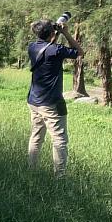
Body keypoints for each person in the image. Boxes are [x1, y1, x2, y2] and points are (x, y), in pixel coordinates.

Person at [27, 18, 83, 178]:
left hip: (34, 101)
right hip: (52, 103)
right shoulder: (57, 50)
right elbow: (79, 52)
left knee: (36, 136)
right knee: (59, 139)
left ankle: (31, 170)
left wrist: (54, 33)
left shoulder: (32, 47)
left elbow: (48, 47)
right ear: (52, 33)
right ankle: (60, 177)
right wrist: (65, 32)